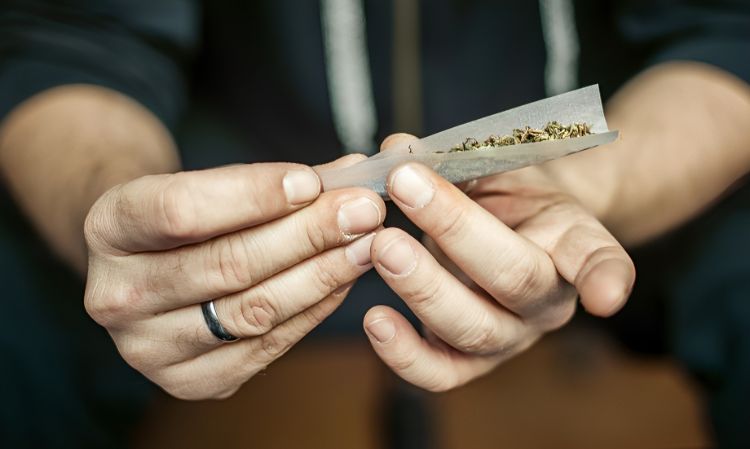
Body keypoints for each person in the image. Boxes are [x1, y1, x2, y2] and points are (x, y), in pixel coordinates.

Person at [0, 1, 748, 448]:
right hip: (235, 179)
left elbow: (728, 34)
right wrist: (121, 219)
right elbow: (71, 37)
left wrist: (584, 185)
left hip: (607, 165)